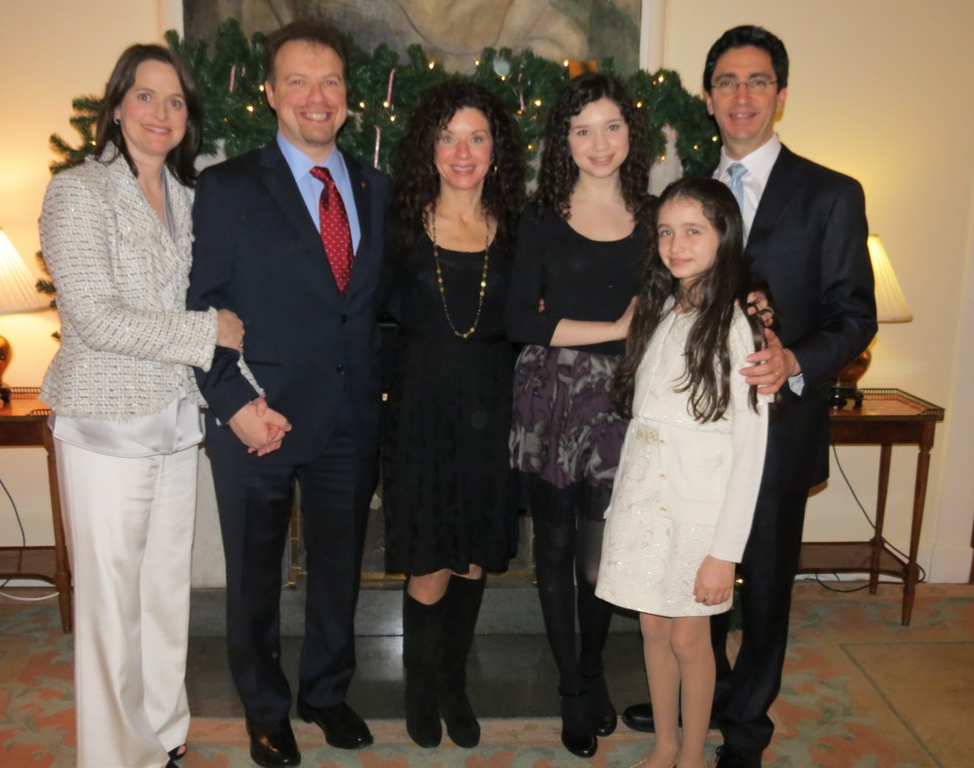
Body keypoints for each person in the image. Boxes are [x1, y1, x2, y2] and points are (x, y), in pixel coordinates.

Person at [621, 26, 877, 768]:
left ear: (781, 96)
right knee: (685, 566)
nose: (741, 95)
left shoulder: (831, 194)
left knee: (762, 580)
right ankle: (704, 693)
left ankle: (747, 726)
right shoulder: (686, 196)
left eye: (757, 81)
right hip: (687, 439)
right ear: (708, 98)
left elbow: (855, 314)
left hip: (778, 425)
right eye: (726, 82)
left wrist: (796, 357)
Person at [39, 44, 261, 768]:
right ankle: (111, 756)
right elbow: (96, 318)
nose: (161, 113)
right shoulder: (78, 192)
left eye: (174, 101)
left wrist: (251, 394)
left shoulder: (193, 199)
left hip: (172, 422)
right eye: (145, 96)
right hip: (104, 425)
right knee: (110, 609)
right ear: (117, 105)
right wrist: (206, 332)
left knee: (164, 597)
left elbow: (215, 306)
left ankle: (163, 737)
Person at [186, 18, 391, 768]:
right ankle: (266, 711)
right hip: (255, 419)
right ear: (270, 93)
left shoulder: (376, 185)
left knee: (340, 570)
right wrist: (232, 405)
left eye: (330, 81)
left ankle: (327, 694)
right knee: (256, 579)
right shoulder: (227, 187)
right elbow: (197, 307)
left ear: (347, 96)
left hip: (348, 416)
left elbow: (374, 306)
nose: (316, 96)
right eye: (298, 81)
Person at [504, 72, 655, 758]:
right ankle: (571, 687)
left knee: (599, 563)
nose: (600, 143)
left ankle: (592, 667)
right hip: (553, 396)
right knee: (556, 549)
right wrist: (614, 325)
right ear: (564, 139)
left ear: (632, 133)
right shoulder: (539, 215)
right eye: (583, 129)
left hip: (625, 401)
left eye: (612, 126)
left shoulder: (656, 216)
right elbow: (517, 320)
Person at [597, 177, 770, 768]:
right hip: (644, 503)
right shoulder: (664, 310)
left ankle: (693, 753)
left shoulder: (737, 327)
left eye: (693, 231)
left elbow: (750, 451)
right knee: (651, 626)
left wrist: (725, 551)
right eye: (667, 232)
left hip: (698, 513)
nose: (677, 244)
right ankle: (665, 743)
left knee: (690, 637)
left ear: (724, 237)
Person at [383, 80, 526, 749]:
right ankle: (419, 684)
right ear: (428, 147)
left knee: (472, 560)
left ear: (496, 147)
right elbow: (369, 322)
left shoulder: (520, 228)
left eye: (476, 136)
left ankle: (452, 684)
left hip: (492, 415)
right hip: (420, 415)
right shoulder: (399, 225)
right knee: (430, 562)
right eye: (447, 136)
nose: (461, 151)